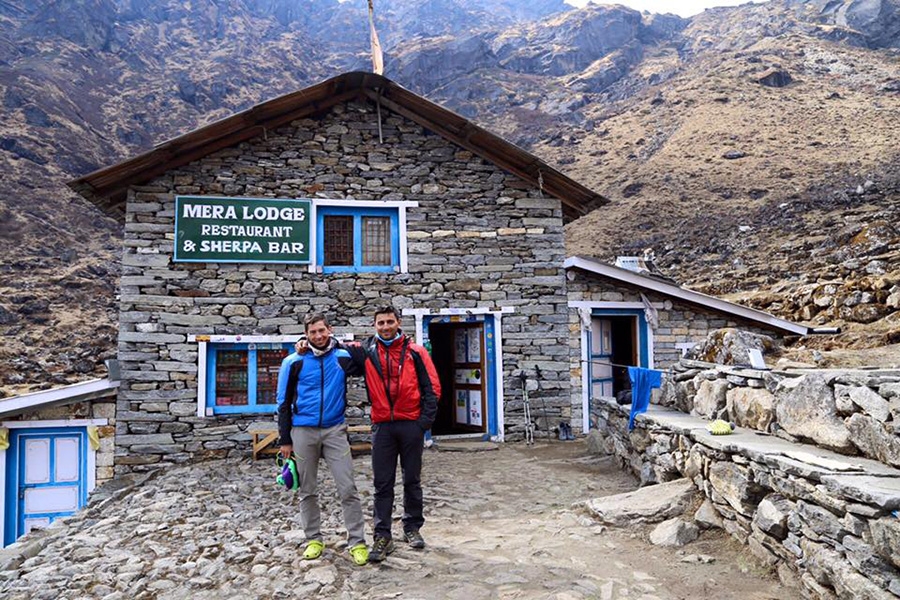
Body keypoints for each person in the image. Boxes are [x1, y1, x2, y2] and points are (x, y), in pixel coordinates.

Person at [295, 305, 441, 563]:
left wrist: (423, 424)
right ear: (374, 326)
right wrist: (305, 343)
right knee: (382, 484)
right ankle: (383, 536)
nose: (385, 327)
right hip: (383, 426)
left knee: (412, 480)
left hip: (411, 425)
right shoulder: (366, 351)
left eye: (389, 322)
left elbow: (433, 388)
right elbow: (331, 346)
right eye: (380, 323)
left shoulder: (416, 352)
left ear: (399, 323)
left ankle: (412, 527)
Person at [276, 313, 369, 566]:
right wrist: (285, 439)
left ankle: (358, 541)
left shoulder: (341, 357)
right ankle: (313, 539)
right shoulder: (293, 362)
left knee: (347, 487)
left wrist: (339, 344)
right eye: (312, 332)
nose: (317, 336)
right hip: (302, 431)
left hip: (335, 430)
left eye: (322, 330)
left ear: (330, 329)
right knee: (307, 490)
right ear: (306, 335)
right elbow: (283, 403)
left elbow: (365, 360)